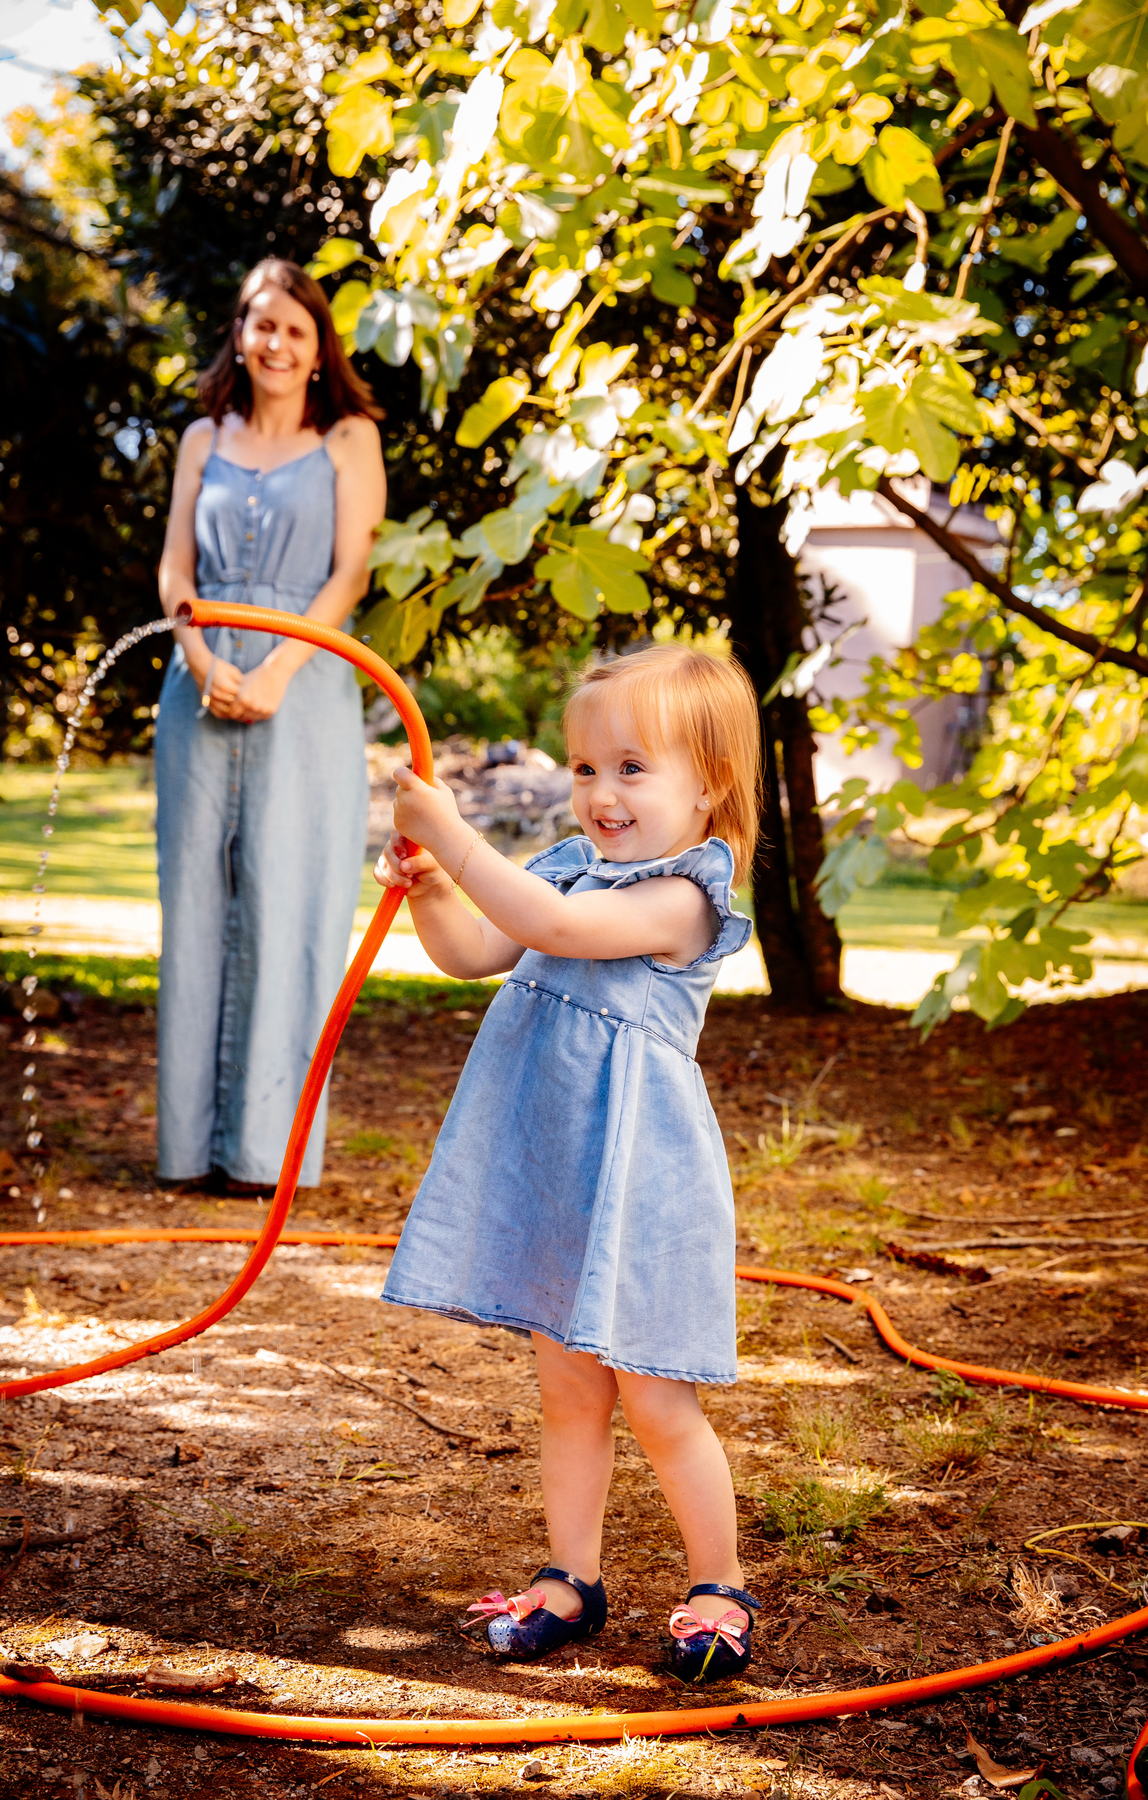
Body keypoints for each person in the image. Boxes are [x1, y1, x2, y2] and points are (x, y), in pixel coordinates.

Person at [375, 644, 762, 1682]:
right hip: (557, 1168)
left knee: (656, 1399)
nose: (601, 792)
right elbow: (479, 948)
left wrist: (451, 834)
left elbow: (549, 926)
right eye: (587, 768)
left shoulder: (685, 897)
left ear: (709, 785)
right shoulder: (566, 863)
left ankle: (718, 1583)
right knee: (567, 1391)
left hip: (637, 1183)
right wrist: (428, 889)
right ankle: (571, 1577)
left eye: (633, 768)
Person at [155, 258, 386, 1192]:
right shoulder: (200, 439)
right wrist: (203, 662)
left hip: (310, 687)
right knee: (194, 906)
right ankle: (184, 1151)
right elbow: (175, 573)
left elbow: (351, 576)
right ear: (239, 335)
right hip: (196, 688)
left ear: (318, 344)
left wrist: (280, 669)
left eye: (295, 329)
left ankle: (262, 1156)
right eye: (261, 326)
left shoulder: (351, 440)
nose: (276, 344)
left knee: (295, 903)